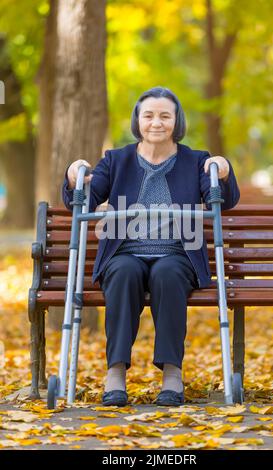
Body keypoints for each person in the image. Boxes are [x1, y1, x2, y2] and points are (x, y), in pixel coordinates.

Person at [62, 86, 240, 407]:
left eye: (164, 116)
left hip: (177, 253)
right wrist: (75, 177)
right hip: (125, 252)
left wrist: (222, 173)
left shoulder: (195, 160)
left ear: (176, 121)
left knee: (168, 273)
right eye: (148, 115)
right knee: (123, 271)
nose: (156, 122)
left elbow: (223, 201)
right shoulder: (115, 160)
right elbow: (85, 198)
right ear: (138, 120)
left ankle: (172, 373)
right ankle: (115, 371)